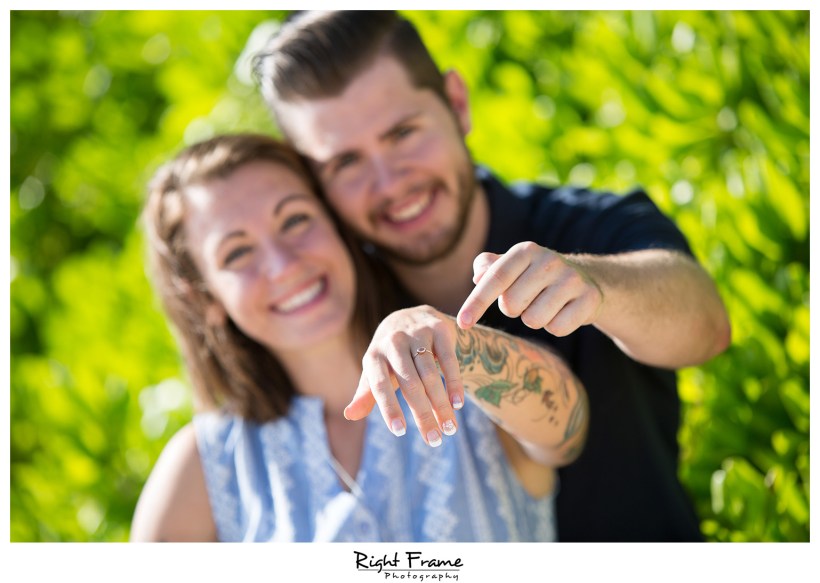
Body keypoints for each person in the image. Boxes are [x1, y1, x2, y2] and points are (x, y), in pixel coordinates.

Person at [252, 10, 732, 541]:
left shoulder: (588, 228)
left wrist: (594, 288)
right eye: (345, 163)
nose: (390, 183)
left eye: (403, 132)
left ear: (457, 104)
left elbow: (708, 328)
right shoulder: (331, 302)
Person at [129, 133, 588, 542]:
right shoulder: (206, 467)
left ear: (338, 226)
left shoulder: (465, 375)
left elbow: (568, 428)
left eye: (294, 220)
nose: (284, 264)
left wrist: (456, 345)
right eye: (238, 252)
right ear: (203, 295)